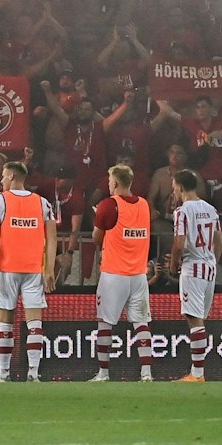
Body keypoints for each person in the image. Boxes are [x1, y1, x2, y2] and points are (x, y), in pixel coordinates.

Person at [0, 160, 55, 382]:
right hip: (34, 269)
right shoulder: (43, 203)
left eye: (4, 176)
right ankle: (33, 373)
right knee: (34, 323)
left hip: (7, 268)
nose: (1, 180)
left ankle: (3, 373)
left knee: (5, 321)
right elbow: (52, 238)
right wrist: (49, 269)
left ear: (12, 177)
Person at [89, 164, 156, 382]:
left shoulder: (108, 205)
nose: (108, 184)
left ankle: (104, 373)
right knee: (141, 323)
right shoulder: (144, 205)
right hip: (138, 275)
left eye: (110, 181)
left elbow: (96, 239)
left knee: (105, 323)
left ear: (115, 183)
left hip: (113, 274)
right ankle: (146, 374)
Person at [168, 169, 219, 382]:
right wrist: (213, 261)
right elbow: (219, 239)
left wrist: (172, 266)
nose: (174, 192)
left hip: (193, 266)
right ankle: (197, 372)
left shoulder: (182, 211)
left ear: (180, 187)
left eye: (173, 188)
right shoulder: (211, 209)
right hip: (210, 266)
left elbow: (179, 242)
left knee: (194, 319)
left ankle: (197, 374)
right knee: (200, 318)